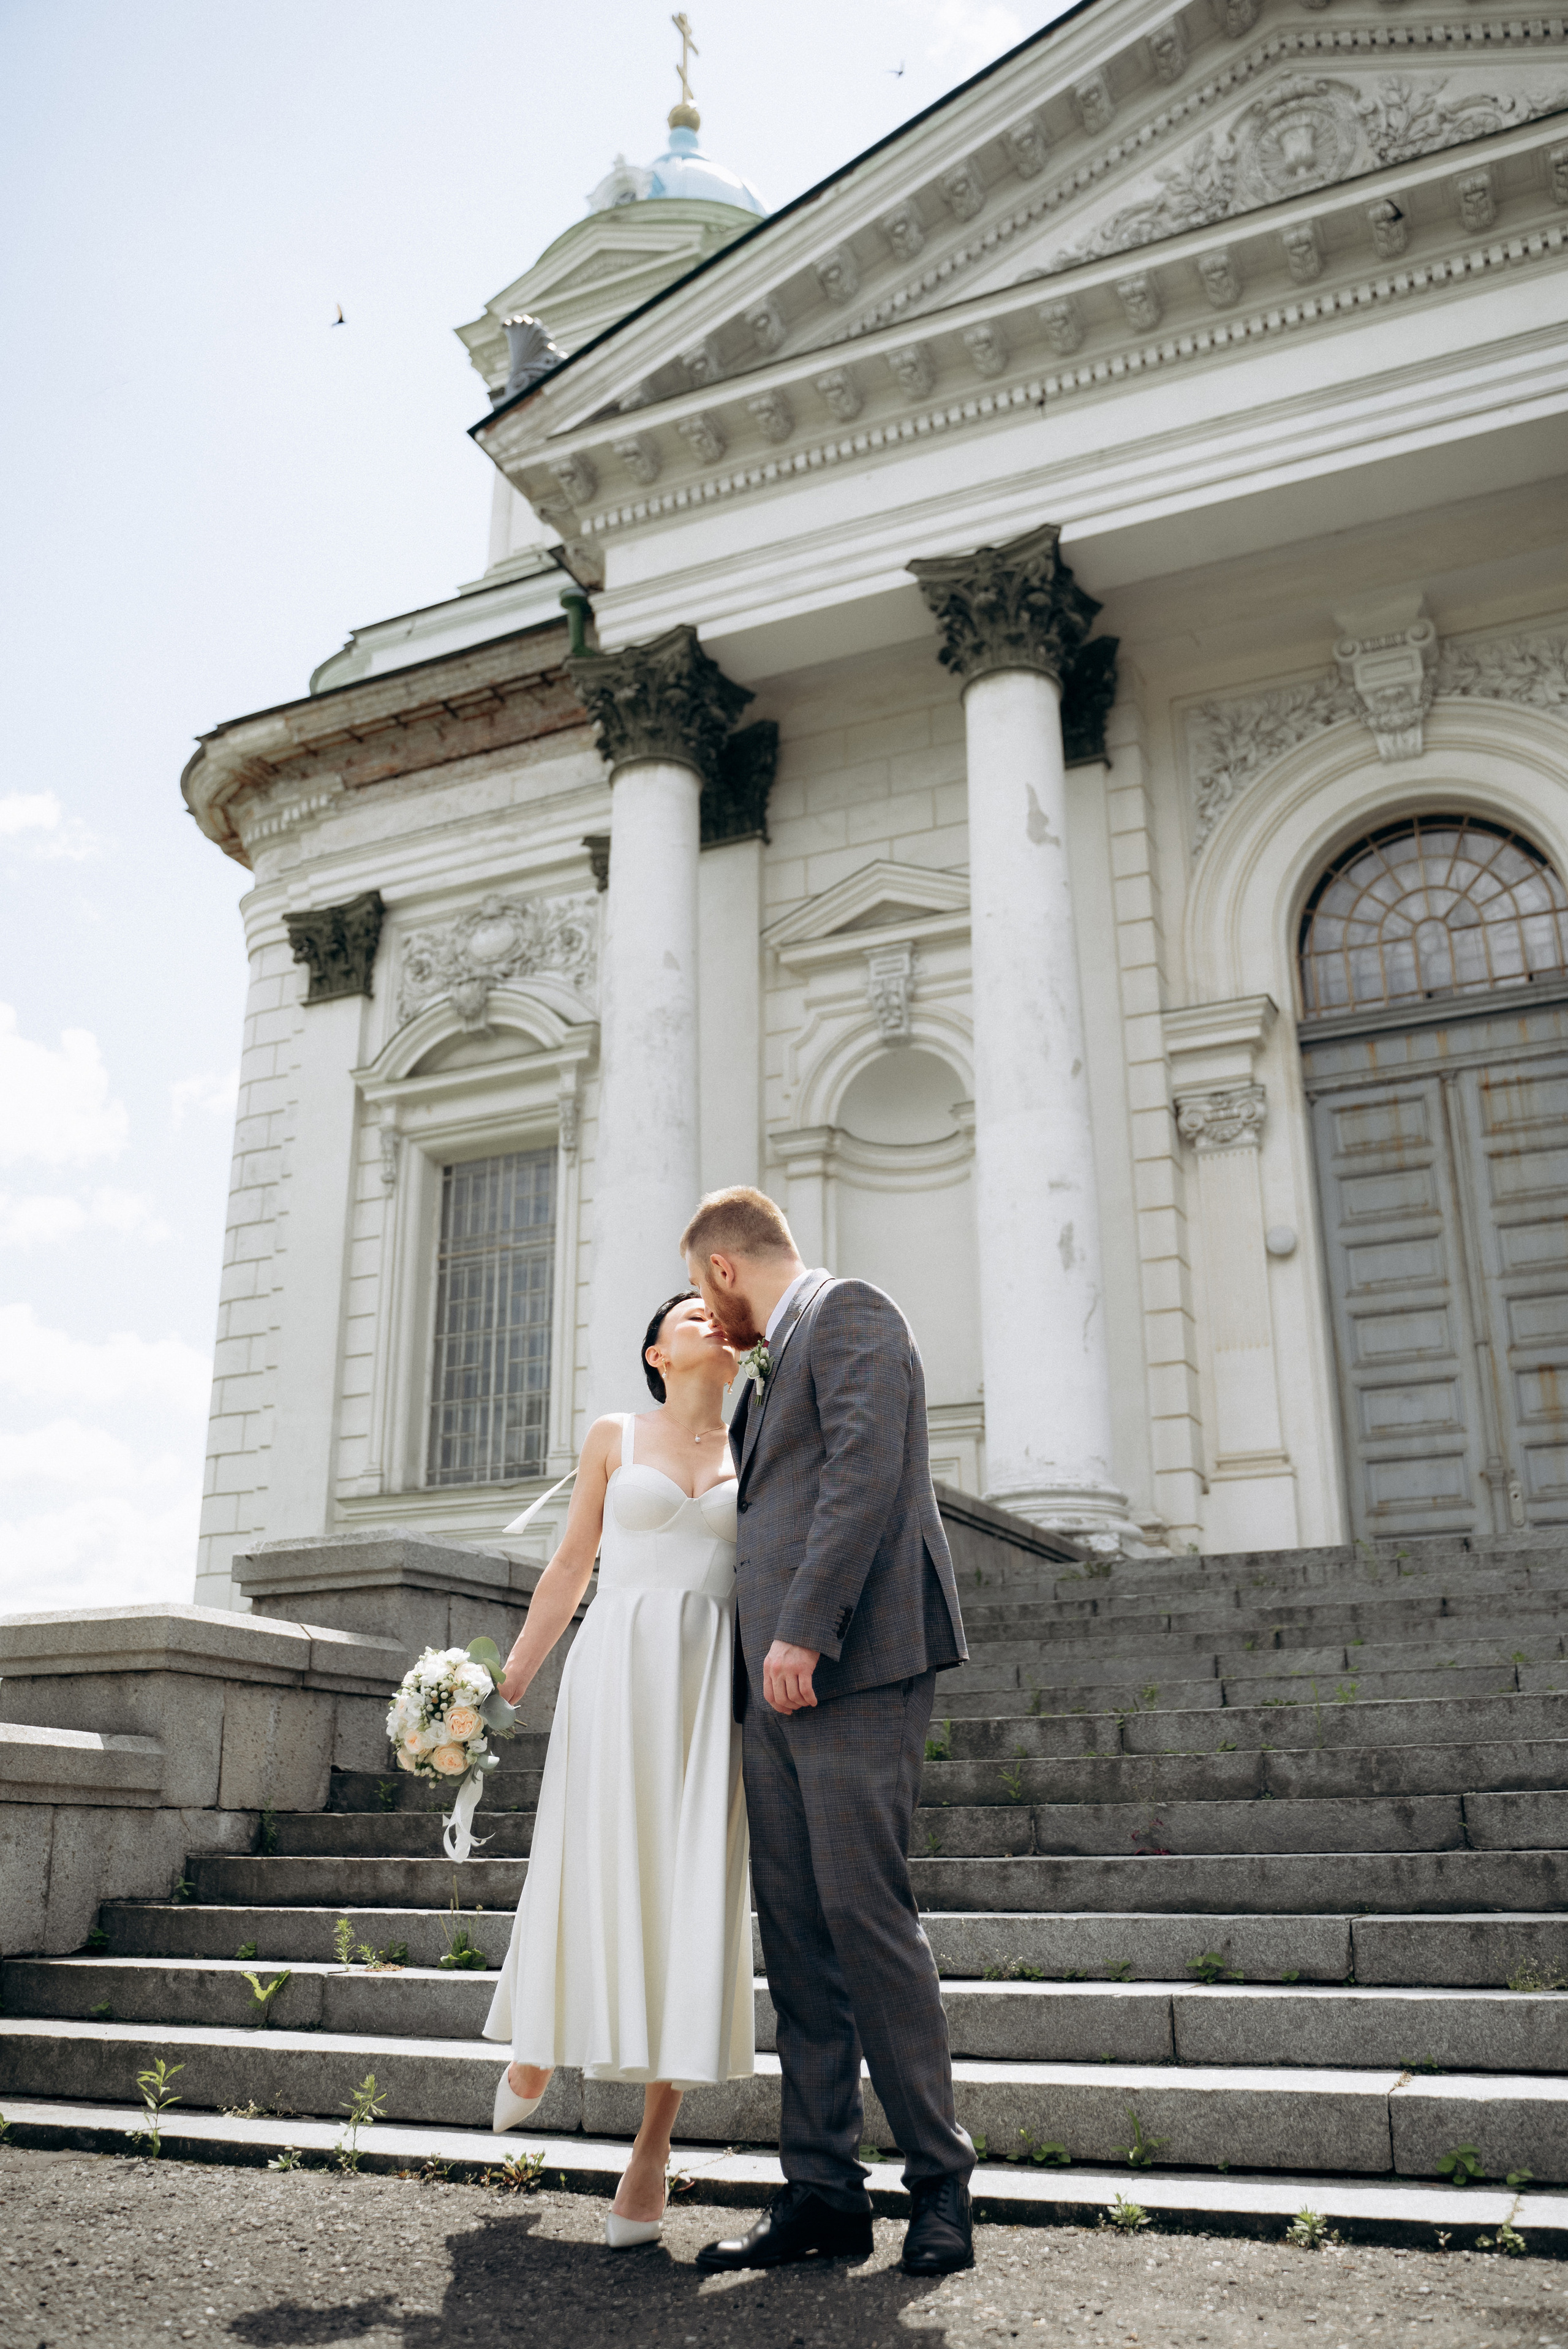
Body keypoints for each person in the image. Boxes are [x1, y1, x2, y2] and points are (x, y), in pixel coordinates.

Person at [679, 1186, 976, 2279]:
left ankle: (941, 2190)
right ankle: (822, 2193)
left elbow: (865, 1475)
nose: (718, 1323)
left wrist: (803, 1630)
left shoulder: (852, 1312)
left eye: (712, 1300)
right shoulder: (771, 1363)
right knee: (798, 1941)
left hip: (852, 1666)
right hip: (776, 1690)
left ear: (723, 1269)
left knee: (868, 1923)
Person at [482, 1291, 752, 2249]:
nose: (712, 1322)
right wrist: (508, 1680)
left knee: (690, 1897)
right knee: (586, 1863)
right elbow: (569, 1567)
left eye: (722, 1315)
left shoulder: (756, 1450)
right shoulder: (614, 1433)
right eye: (691, 1316)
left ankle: (652, 2148)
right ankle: (538, 2039)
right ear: (656, 1350)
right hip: (614, 1671)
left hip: (710, 1689)